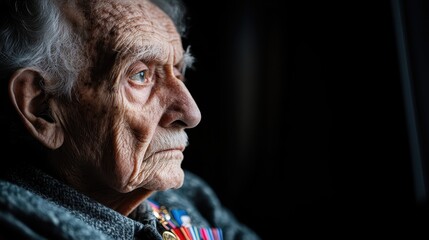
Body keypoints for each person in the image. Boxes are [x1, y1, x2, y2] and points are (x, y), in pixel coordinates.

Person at [0, 0, 261, 239]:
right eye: (140, 75)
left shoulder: (191, 194)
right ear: (41, 107)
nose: (191, 113)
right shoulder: (17, 219)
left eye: (178, 74)